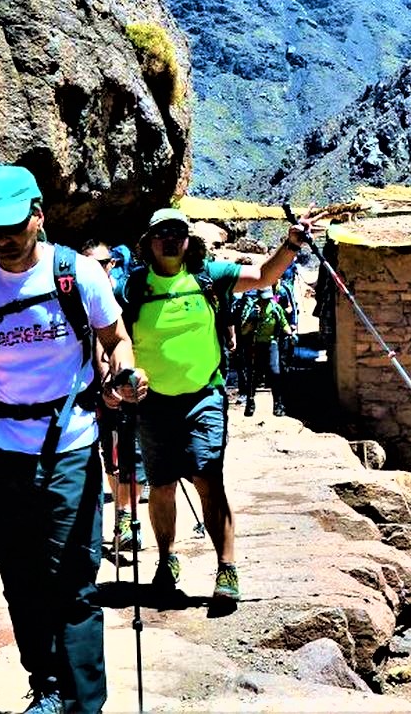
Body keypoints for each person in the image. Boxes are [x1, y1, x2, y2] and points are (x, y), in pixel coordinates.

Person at [0, 166, 147, 714]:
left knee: (74, 580)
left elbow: (115, 339)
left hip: (71, 446)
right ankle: (49, 685)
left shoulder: (77, 274)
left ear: (37, 215)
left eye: (11, 225)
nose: (1, 240)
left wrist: (125, 374)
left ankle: (85, 702)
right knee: (21, 577)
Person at [120, 207, 312, 603]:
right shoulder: (133, 287)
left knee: (208, 477)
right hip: (151, 402)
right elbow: (114, 336)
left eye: (178, 232)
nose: (170, 239)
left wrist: (291, 245)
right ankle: (166, 558)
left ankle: (227, 568)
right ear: (149, 242)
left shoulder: (210, 276)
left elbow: (263, 275)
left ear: (188, 240)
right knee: (161, 486)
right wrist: (117, 378)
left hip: (203, 396)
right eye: (162, 233)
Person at [79, 239, 146, 554]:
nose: (100, 269)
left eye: (104, 263)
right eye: (92, 263)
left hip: (130, 385)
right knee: (111, 455)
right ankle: (122, 515)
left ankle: (127, 517)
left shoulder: (125, 296)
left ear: (113, 265)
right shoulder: (77, 298)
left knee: (135, 457)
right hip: (96, 393)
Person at [238, 286, 296, 417]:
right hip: (255, 344)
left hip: (271, 344)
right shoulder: (252, 308)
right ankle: (250, 402)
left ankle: (278, 404)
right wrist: (251, 319)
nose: (266, 301)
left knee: (275, 373)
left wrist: (291, 334)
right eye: (263, 299)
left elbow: (284, 323)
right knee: (253, 375)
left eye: (268, 298)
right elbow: (243, 331)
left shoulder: (275, 307)